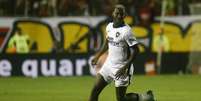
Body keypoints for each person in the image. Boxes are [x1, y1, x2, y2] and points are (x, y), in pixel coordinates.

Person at [88, 4, 155, 101]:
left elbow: (136, 50)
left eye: (121, 14)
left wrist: (125, 67)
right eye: (117, 13)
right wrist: (98, 56)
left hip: (122, 68)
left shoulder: (127, 31)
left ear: (125, 15)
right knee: (95, 91)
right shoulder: (109, 27)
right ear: (113, 14)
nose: (119, 16)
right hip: (109, 65)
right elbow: (107, 42)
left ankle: (144, 97)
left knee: (121, 99)